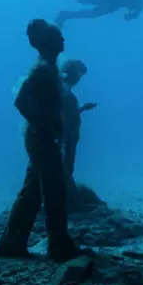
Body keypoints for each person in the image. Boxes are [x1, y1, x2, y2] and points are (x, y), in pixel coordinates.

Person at [0, 19, 80, 262]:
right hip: (42, 138)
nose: (63, 40)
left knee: (32, 191)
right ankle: (59, 245)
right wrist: (43, 126)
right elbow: (20, 101)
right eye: (59, 37)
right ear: (49, 42)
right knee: (53, 191)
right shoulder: (43, 69)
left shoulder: (48, 67)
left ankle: (12, 243)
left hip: (41, 136)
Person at [59, 59, 97, 207]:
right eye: (79, 75)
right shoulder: (65, 92)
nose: (79, 80)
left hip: (65, 139)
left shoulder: (61, 89)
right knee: (64, 168)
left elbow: (66, 112)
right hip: (64, 140)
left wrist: (81, 108)